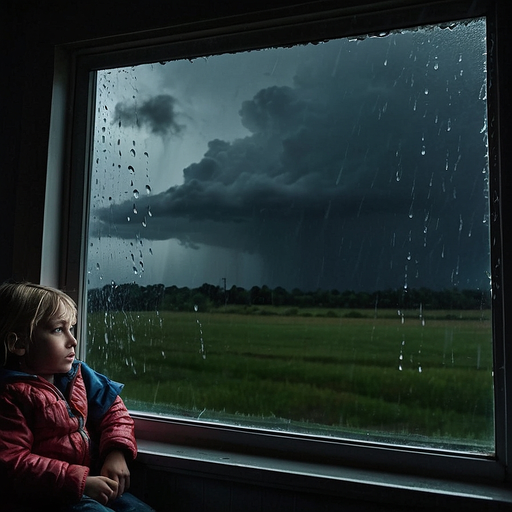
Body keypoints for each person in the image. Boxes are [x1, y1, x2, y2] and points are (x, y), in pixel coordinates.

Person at [0, 282, 156, 512]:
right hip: (46, 498)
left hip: (90, 484)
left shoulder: (78, 374)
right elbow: (13, 463)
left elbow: (114, 410)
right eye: (57, 330)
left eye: (71, 328)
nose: (72, 340)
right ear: (19, 344)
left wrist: (116, 452)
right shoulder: (10, 395)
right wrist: (79, 482)